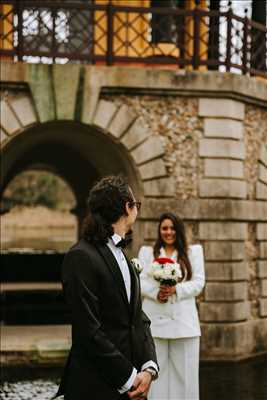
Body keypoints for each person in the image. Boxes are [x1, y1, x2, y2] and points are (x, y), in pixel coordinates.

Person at [55, 176, 158, 400]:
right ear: (126, 207)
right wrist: (130, 378)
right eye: (135, 204)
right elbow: (88, 330)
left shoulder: (123, 255)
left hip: (134, 385)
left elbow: (137, 317)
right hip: (96, 385)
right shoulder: (81, 256)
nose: (136, 209)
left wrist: (149, 367)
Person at [138, 212, 205, 400]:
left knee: (186, 377)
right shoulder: (147, 253)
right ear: (159, 231)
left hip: (184, 325)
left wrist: (176, 290)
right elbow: (140, 282)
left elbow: (199, 283)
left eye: (172, 228)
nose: (168, 232)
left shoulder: (193, 252)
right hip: (155, 324)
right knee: (155, 375)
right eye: (164, 228)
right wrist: (156, 293)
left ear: (179, 230)